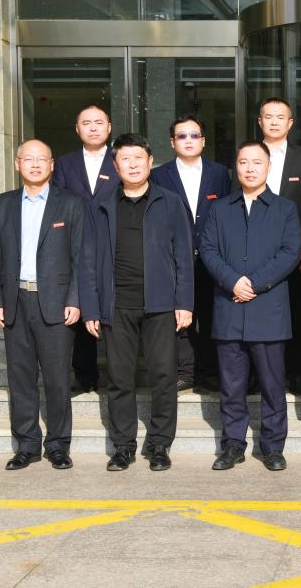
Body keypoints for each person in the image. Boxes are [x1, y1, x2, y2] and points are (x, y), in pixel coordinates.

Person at [78, 133, 194, 472]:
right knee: (119, 378)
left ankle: (159, 444)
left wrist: (184, 302)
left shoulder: (170, 202)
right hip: (116, 305)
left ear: (150, 162)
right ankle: (123, 446)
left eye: (138, 158)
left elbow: (184, 256)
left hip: (161, 304)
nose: (132, 165)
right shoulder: (101, 205)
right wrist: (91, 308)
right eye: (125, 159)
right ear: (115, 166)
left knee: (164, 376)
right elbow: (87, 260)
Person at [0, 139, 85, 471]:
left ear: (52, 165)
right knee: (21, 378)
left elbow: (80, 257)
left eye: (43, 159)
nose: (36, 164)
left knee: (57, 378)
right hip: (15, 301)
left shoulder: (70, 203)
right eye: (29, 159)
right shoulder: (2, 204)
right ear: (18, 164)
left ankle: (58, 445)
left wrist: (75, 299)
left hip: (55, 303)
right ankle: (27, 445)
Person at [200, 141, 301, 472]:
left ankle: (272, 447)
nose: (250, 168)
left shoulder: (285, 209)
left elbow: (290, 253)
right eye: (244, 162)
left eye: (257, 162)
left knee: (272, 385)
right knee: (231, 387)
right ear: (236, 167)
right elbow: (208, 249)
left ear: (269, 166)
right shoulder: (219, 208)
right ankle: (232, 445)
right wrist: (232, 282)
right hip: (229, 307)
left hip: (268, 310)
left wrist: (253, 284)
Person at [150, 113, 232, 393]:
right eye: (181, 136)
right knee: (180, 317)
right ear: (172, 142)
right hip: (174, 257)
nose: (188, 140)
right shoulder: (159, 175)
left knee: (210, 316)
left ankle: (209, 371)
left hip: (212, 259)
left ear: (203, 141)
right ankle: (185, 371)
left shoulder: (219, 173)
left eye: (194, 135)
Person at [53, 104, 119, 393]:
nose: (93, 127)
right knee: (80, 306)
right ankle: (85, 375)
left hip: (115, 242)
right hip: (76, 244)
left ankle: (119, 375)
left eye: (99, 122)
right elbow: (58, 202)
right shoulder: (64, 163)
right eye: (86, 122)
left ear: (109, 127)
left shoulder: (121, 159)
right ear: (77, 129)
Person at [258, 97, 301, 397]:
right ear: (260, 121)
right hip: (256, 253)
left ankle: (297, 374)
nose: (274, 122)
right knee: (258, 314)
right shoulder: (248, 154)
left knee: (295, 313)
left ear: (290, 123)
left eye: (280, 117)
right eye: (268, 117)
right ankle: (257, 376)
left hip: (294, 253)